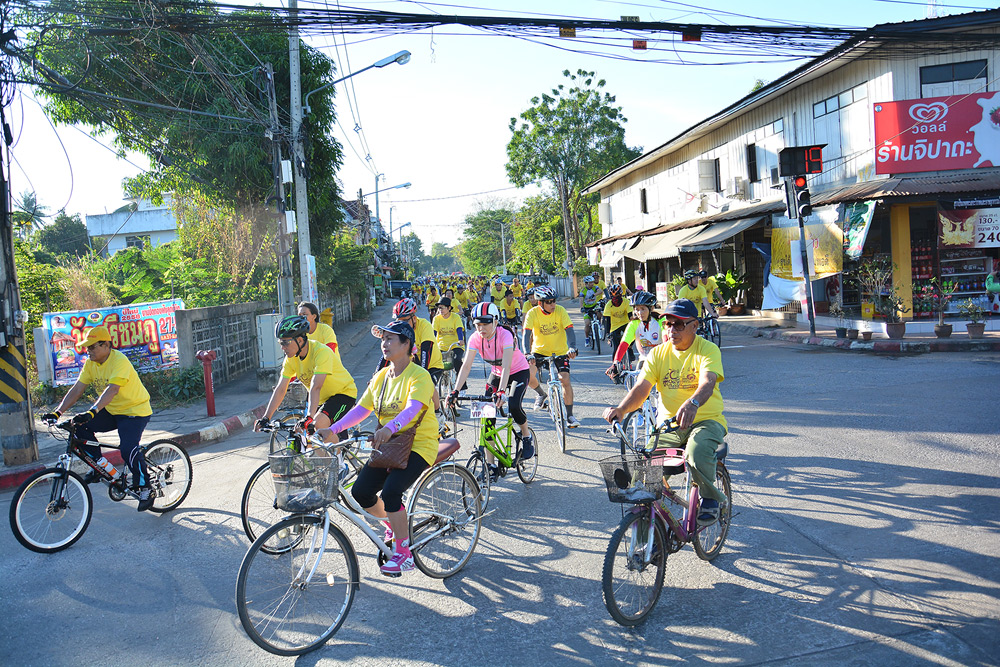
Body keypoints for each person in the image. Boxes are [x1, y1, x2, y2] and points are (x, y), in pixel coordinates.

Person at [319, 320, 439, 575]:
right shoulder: (381, 376)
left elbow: (412, 409)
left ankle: (404, 552)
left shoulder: (419, 375)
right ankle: (392, 523)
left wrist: (389, 428)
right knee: (361, 492)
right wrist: (333, 430)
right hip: (389, 444)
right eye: (383, 339)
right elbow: (361, 409)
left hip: (419, 444)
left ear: (406, 344)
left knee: (392, 492)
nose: (384, 344)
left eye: (390, 339)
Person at [603, 298, 728, 526]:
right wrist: (621, 409)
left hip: (706, 420)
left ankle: (711, 498)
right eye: (668, 324)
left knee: (696, 452)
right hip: (670, 425)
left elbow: (708, 382)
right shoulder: (658, 354)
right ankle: (645, 541)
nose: (671, 330)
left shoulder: (707, 349)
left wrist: (693, 403)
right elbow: (641, 389)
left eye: (678, 324)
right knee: (644, 477)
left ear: (695, 325)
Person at [43, 325, 156, 511]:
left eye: (92, 346)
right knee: (78, 427)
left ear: (106, 345)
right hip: (112, 410)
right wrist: (57, 412)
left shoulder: (119, 361)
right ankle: (99, 467)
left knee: (128, 449)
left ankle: (146, 488)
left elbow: (112, 389)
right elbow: (77, 389)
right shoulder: (91, 364)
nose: (88, 350)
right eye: (87, 347)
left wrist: (93, 411)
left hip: (134, 411)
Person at [448, 302, 535, 471]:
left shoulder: (505, 335)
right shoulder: (475, 338)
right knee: (487, 416)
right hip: (496, 374)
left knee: (513, 404)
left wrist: (501, 391)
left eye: (485, 323)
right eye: (477, 324)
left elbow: (507, 366)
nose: (481, 328)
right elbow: (466, 366)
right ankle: (491, 464)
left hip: (518, 371)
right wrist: (455, 391)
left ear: (495, 321)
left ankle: (526, 436)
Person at [256, 315, 357, 441]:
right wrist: (266, 417)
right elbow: (281, 388)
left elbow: (316, 386)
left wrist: (309, 417)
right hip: (321, 400)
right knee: (310, 438)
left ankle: (337, 453)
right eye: (280, 343)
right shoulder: (291, 359)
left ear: (299, 340)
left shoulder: (321, 352)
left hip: (343, 394)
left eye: (285, 343)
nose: (282, 347)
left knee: (318, 425)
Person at [522, 286, 580, 427]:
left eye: (554, 301)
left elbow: (569, 330)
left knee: (564, 379)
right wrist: (527, 353)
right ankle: (541, 394)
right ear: (540, 303)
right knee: (528, 374)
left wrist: (572, 347)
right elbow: (526, 334)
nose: (553, 304)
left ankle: (570, 415)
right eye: (549, 302)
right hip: (539, 351)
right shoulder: (532, 313)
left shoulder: (560, 310)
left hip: (560, 351)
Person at [388, 298, 448, 434]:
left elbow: (426, 349)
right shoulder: (399, 329)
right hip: (413, 363)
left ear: (414, 318)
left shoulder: (424, 325)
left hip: (433, 364)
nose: (402, 324)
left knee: (428, 384)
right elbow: (389, 352)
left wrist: (424, 374)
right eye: (399, 321)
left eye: (405, 320)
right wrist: (376, 374)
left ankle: (438, 413)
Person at [607, 290, 664, 381]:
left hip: (662, 359)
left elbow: (667, 339)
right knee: (638, 384)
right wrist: (615, 363)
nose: (640, 313)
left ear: (651, 308)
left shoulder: (660, 321)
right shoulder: (633, 324)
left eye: (643, 309)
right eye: (637, 309)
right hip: (645, 359)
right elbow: (624, 344)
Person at [433, 297, 466, 373]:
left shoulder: (455, 317)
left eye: (442, 308)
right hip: (441, 346)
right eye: (439, 308)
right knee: (434, 363)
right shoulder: (436, 318)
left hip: (455, 345)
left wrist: (461, 340)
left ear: (449, 308)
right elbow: (434, 332)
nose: (440, 310)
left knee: (457, 360)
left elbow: (459, 329)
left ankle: (461, 379)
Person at [603, 284, 632, 364]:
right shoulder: (608, 305)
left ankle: (630, 348)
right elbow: (607, 321)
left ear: (621, 295)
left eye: (617, 296)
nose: (615, 299)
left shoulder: (626, 302)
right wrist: (608, 333)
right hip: (614, 326)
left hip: (625, 323)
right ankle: (615, 365)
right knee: (616, 347)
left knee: (632, 336)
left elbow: (630, 316)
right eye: (613, 297)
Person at [579, 275, 602, 348]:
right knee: (587, 323)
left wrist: (594, 294)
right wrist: (581, 308)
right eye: (590, 283)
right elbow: (581, 300)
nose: (592, 284)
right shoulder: (583, 291)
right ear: (586, 283)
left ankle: (599, 323)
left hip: (594, 306)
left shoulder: (595, 288)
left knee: (599, 311)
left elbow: (600, 291)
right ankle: (587, 338)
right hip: (586, 308)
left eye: (592, 282)